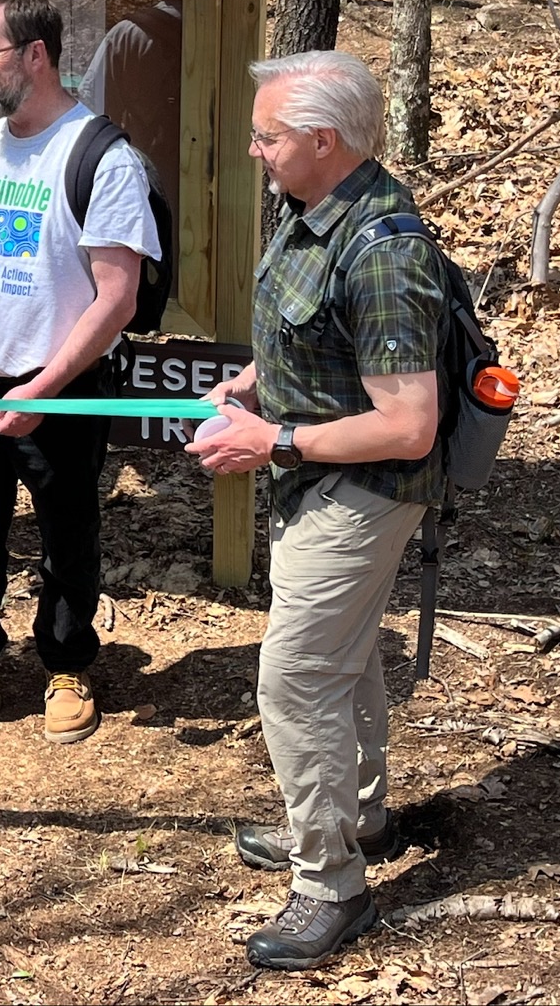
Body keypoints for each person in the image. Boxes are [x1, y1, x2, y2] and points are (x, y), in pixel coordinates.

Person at [188, 50, 443, 971]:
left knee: (295, 678)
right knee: (343, 658)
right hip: (320, 479)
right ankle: (361, 816)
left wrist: (274, 442)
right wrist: (260, 382)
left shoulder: (383, 250)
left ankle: (329, 882)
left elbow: (409, 423)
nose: (255, 150)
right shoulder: (317, 212)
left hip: (362, 492)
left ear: (323, 141)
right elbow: (319, 326)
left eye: (268, 135)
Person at [0, 0, 159, 749]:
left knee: (67, 531)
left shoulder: (101, 157)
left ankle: (68, 666)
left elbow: (116, 298)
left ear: (36, 55)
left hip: (65, 386)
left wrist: (45, 386)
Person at [80, 0, 183, 206]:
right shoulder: (219, 25)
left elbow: (93, 102)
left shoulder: (127, 34)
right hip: (213, 169)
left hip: (145, 170)